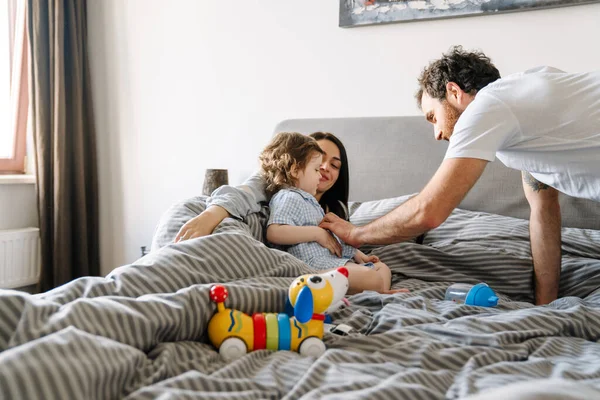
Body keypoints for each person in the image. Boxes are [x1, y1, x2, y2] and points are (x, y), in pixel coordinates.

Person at [320, 46, 600, 306]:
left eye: (433, 117)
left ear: (454, 92)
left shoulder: (489, 105)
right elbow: (544, 211)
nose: (437, 133)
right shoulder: (524, 111)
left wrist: (356, 234)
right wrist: (545, 307)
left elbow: (429, 212)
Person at [260, 132, 394, 294]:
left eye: (334, 165)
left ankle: (382, 292)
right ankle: (375, 288)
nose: (321, 172)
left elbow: (333, 240)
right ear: (295, 170)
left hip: (331, 262)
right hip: (314, 267)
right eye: (316, 168)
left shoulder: (311, 203)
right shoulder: (288, 196)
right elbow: (274, 232)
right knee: (371, 278)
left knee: (382, 268)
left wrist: (357, 254)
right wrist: (317, 233)